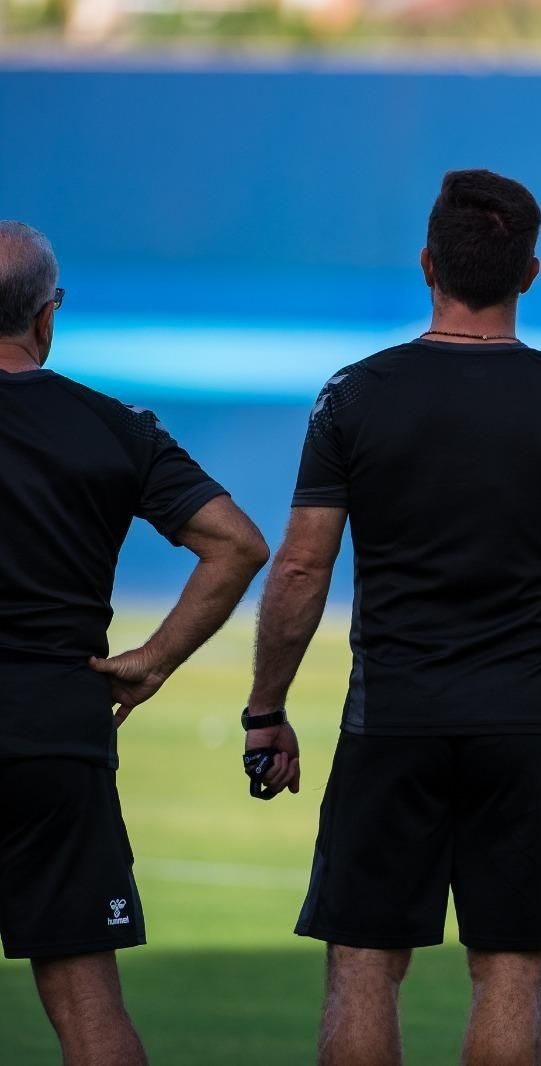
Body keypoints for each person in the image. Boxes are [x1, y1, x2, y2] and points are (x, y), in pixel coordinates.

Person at [242, 171, 541, 1066]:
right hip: (524, 725)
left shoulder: (355, 394)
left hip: (391, 717)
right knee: (511, 972)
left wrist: (266, 707)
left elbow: (303, 563)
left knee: (363, 965)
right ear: (531, 273)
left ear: (428, 262)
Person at [0, 221, 268, 1063]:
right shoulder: (113, 426)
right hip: (55, 729)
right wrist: (152, 660)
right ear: (50, 315)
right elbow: (238, 544)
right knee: (88, 1005)